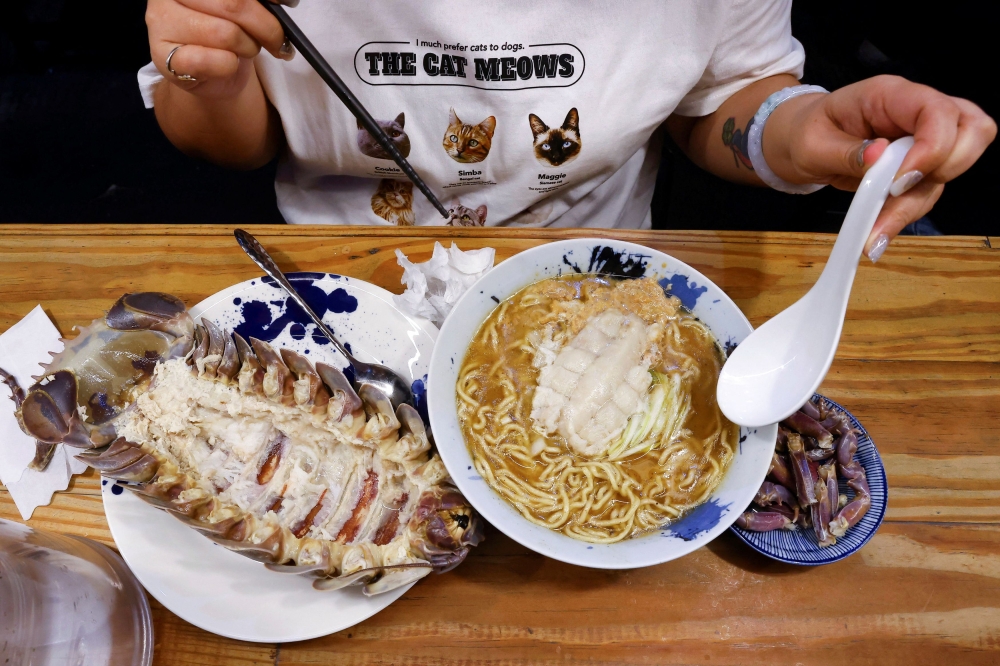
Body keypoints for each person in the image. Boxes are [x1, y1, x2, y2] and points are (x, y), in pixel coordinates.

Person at [139, 0, 994, 260]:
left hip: (593, 271)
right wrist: (209, 75)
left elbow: (724, 99)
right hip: (336, 275)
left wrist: (800, 129)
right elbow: (233, 144)